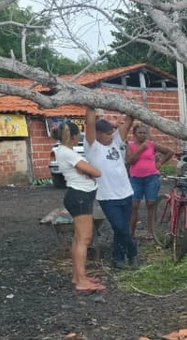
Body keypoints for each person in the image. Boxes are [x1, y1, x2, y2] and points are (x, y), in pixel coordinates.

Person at [53, 121, 104, 292]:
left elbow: (89, 170)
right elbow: (97, 172)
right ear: (74, 136)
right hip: (80, 195)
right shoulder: (70, 154)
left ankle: (78, 276)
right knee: (84, 239)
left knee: (78, 238)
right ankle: (82, 280)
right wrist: (89, 169)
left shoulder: (63, 151)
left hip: (79, 195)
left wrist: (87, 170)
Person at [85, 108, 138, 269]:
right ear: (98, 133)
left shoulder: (115, 142)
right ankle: (133, 252)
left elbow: (128, 122)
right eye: (107, 133)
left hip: (125, 193)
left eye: (111, 133)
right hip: (107, 196)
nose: (111, 136)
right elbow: (90, 124)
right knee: (120, 227)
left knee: (121, 229)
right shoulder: (92, 147)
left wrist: (130, 104)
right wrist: (90, 106)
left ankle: (118, 259)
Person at [126, 122, 173, 242]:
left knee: (151, 204)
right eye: (139, 133)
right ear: (134, 134)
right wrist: (140, 150)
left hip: (151, 177)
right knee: (134, 205)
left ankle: (150, 231)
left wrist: (160, 163)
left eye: (144, 133)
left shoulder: (151, 145)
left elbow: (169, 152)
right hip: (136, 178)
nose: (142, 135)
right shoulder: (130, 145)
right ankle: (131, 232)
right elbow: (129, 161)